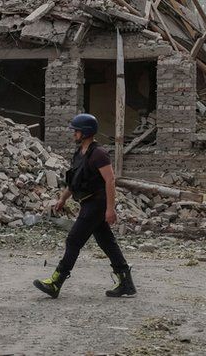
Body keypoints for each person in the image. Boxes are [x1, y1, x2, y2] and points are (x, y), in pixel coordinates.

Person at [34, 114, 134, 299]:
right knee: (106, 242)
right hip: (87, 202)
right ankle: (126, 282)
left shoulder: (99, 153)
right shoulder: (79, 153)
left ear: (86, 132)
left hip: (97, 203)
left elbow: (110, 180)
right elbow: (75, 182)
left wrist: (110, 209)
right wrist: (63, 199)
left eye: (76, 130)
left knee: (73, 240)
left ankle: (56, 282)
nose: (74, 133)